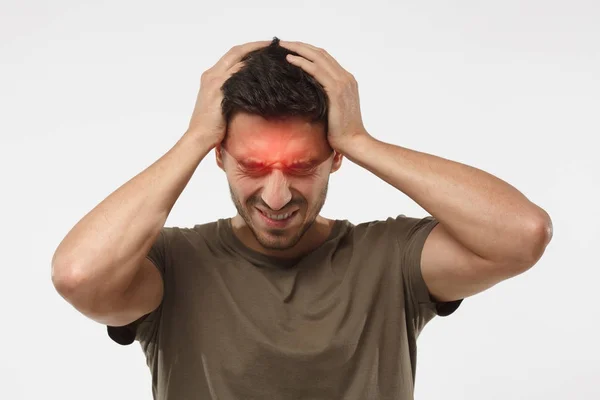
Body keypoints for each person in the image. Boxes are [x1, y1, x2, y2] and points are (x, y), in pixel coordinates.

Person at [51, 37, 553, 400]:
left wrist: (360, 140)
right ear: (220, 155)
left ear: (334, 158)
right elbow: (78, 275)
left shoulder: (391, 259)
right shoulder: (168, 262)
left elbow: (522, 234)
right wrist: (192, 139)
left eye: (301, 167)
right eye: (252, 165)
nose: (276, 195)